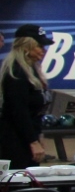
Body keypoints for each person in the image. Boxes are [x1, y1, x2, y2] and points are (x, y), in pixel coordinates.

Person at [0, 24, 53, 168]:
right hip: (15, 141)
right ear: (26, 47)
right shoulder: (16, 73)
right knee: (19, 183)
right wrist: (33, 142)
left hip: (28, 136)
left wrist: (38, 135)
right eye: (40, 46)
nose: (44, 51)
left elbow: (34, 113)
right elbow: (19, 112)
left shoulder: (32, 70)